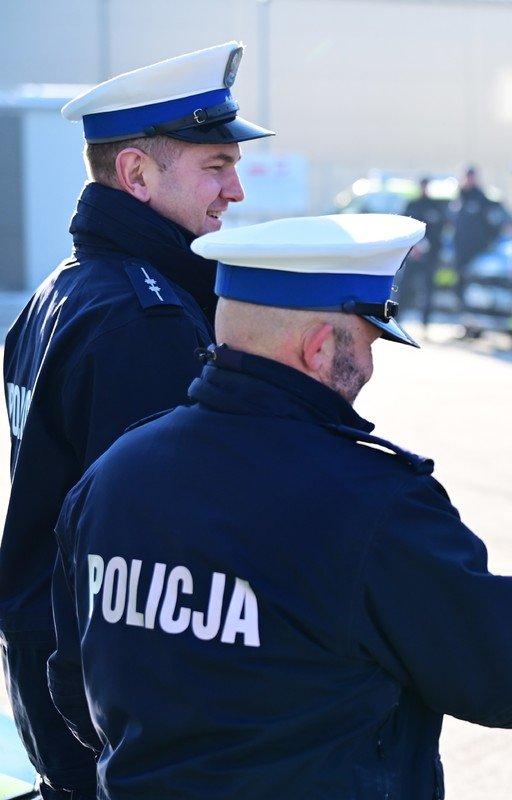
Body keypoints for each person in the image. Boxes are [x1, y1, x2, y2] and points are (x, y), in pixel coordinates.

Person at [48, 214, 512, 799]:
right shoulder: (371, 499)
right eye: (368, 343)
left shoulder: (113, 474)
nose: (371, 368)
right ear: (320, 347)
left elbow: (73, 683)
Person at [1, 42, 270, 800]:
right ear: (137, 175)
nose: (236, 190)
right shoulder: (142, 322)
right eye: (216, 165)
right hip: (117, 725)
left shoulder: (63, 290)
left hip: (60, 695)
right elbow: (155, 572)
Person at [450, 166, 507, 311]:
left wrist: (487, 243)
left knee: (475, 285)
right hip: (460, 252)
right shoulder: (459, 198)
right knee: (460, 285)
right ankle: (461, 313)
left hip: (477, 253)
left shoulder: (481, 199)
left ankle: (474, 312)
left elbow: (495, 224)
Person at [395, 176, 447, 330]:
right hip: (412, 254)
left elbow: (439, 229)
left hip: (429, 255)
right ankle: (398, 317)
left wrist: (426, 245)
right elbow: (404, 226)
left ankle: (426, 322)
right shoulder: (412, 205)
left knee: (427, 288)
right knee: (405, 286)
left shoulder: (435, 206)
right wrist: (414, 246)